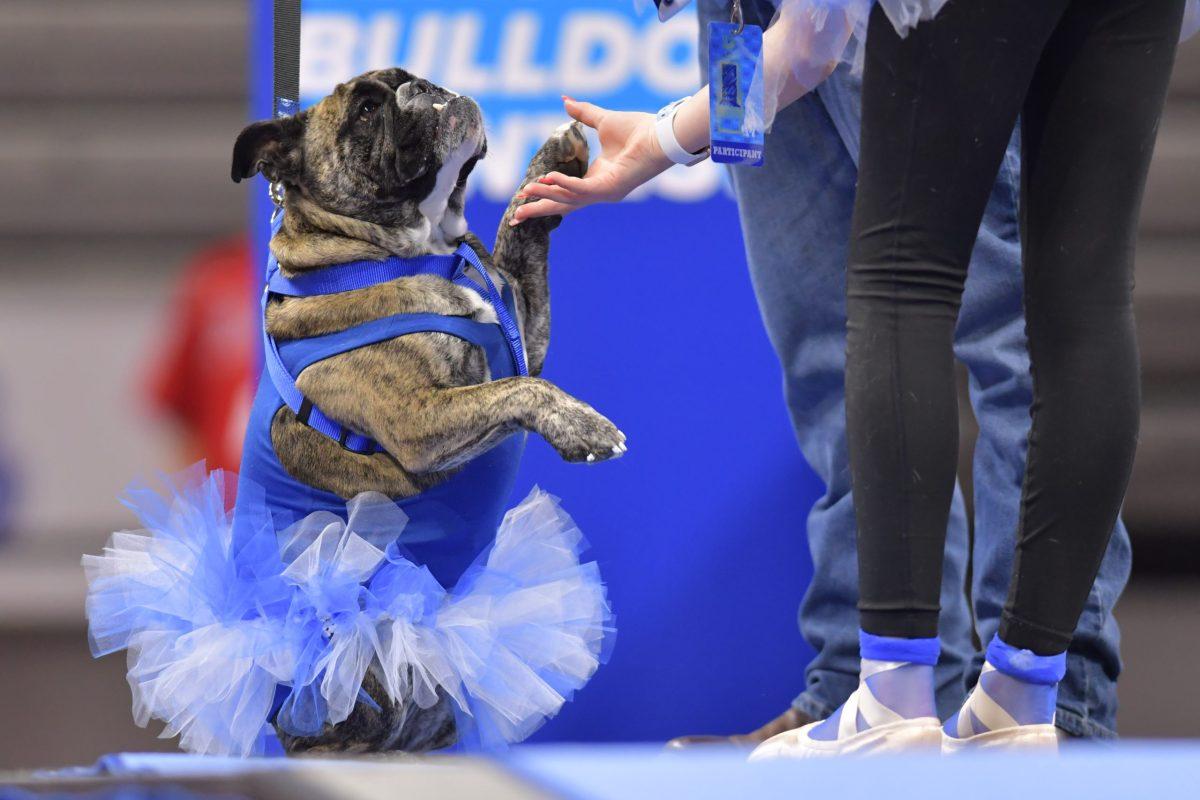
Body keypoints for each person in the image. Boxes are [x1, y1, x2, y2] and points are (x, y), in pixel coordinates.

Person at [512, 0, 1144, 746]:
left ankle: (1044, 704)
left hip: (895, 15)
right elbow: (792, 54)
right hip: (741, 14)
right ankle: (875, 690)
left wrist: (665, 138)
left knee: (1014, 329)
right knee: (830, 349)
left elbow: (806, 48)